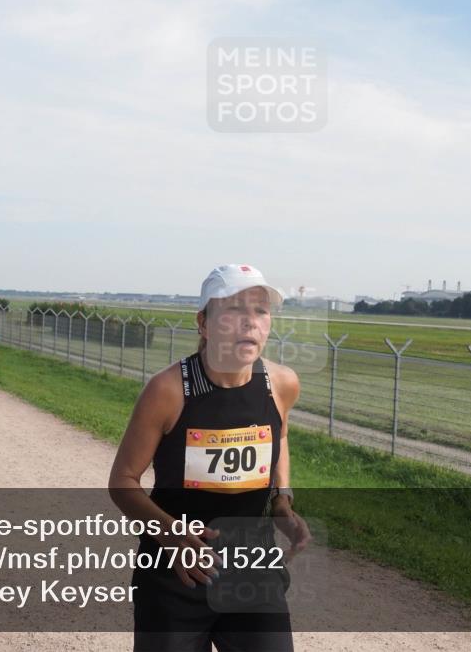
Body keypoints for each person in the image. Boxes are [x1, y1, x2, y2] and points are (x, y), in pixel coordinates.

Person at [109, 264, 311, 652]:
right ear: (203, 323)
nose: (250, 322)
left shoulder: (281, 384)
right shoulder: (168, 390)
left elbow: (280, 436)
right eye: (234, 309)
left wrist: (282, 501)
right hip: (176, 575)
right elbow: (122, 482)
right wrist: (171, 534)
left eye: (260, 310)